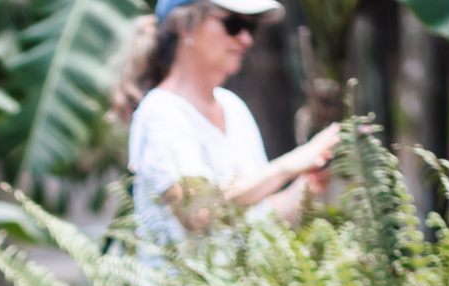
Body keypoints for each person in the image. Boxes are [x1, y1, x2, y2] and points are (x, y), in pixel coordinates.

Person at [113, 0, 343, 247]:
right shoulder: (161, 112)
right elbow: (198, 212)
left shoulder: (232, 106)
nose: (246, 40)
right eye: (232, 24)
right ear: (185, 26)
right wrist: (289, 165)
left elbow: (257, 220)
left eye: (251, 27)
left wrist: (308, 185)